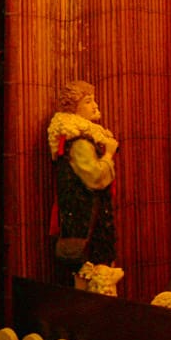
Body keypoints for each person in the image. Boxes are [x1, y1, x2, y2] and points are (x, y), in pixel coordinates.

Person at [47, 80, 118, 281]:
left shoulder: (85, 137)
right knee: (91, 278)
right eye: (88, 101)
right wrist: (108, 155)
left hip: (85, 223)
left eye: (93, 100)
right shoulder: (78, 142)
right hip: (86, 225)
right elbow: (95, 177)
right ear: (74, 109)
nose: (95, 105)